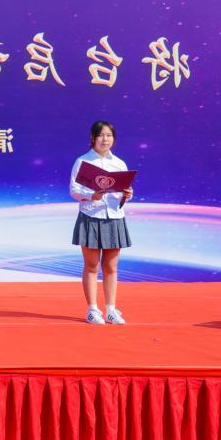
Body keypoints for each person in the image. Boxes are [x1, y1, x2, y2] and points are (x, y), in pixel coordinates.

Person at [69, 120, 135, 325]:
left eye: (109, 135)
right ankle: (92, 309)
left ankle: (111, 309)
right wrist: (92, 195)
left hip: (114, 217)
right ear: (93, 138)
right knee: (91, 265)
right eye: (101, 135)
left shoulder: (119, 163)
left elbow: (122, 194)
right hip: (91, 216)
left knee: (111, 267)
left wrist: (128, 195)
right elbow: (73, 190)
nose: (105, 139)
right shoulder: (83, 162)